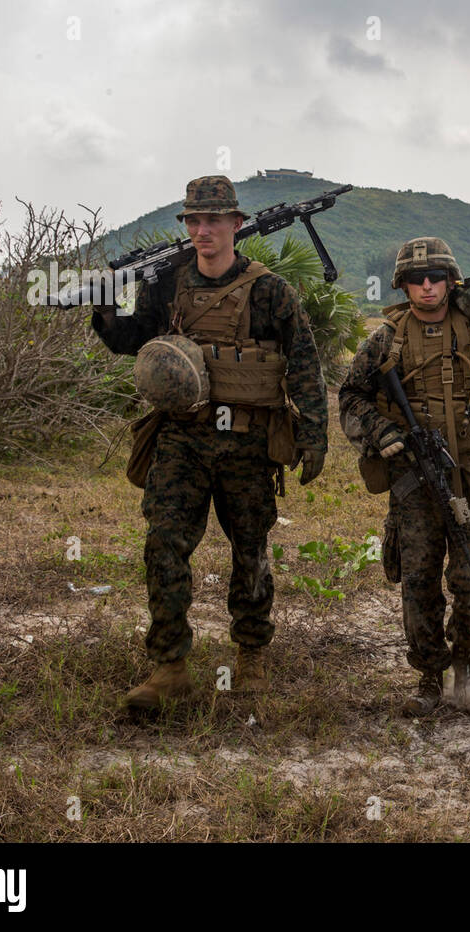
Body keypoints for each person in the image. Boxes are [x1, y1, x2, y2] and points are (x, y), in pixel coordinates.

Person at [90, 175, 329, 709]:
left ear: (236, 225)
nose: (203, 230)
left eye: (214, 220)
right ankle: (169, 666)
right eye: (194, 221)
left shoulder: (271, 290)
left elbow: (306, 364)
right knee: (164, 542)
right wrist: (107, 308)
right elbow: (132, 342)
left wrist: (313, 437)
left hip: (248, 440)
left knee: (250, 548)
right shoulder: (168, 283)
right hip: (183, 437)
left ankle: (251, 654)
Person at [338, 237, 470, 716]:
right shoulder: (386, 339)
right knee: (418, 581)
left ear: (451, 280)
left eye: (436, 277)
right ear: (403, 285)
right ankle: (428, 676)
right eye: (416, 280)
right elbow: (351, 395)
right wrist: (381, 430)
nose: (427, 287)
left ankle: (467, 660)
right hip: (413, 481)